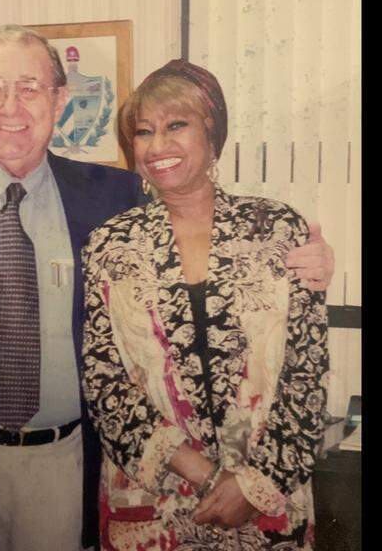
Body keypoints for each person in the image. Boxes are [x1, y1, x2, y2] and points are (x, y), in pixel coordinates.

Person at [0, 25, 335, 551]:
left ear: (59, 98)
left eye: (29, 87)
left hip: (64, 464)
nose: (11, 106)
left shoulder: (113, 199)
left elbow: (202, 227)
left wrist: (316, 260)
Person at [81, 59, 328, 550]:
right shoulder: (111, 245)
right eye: (144, 132)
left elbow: (306, 374)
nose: (158, 145)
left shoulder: (278, 231)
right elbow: (103, 378)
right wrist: (203, 473)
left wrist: (250, 484)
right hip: (155, 501)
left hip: (263, 499)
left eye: (177, 125)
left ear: (211, 135)